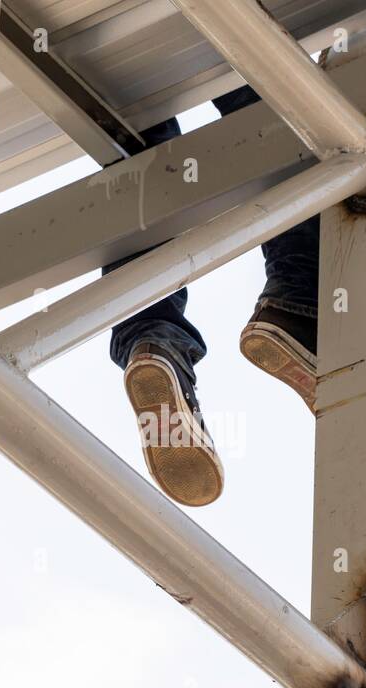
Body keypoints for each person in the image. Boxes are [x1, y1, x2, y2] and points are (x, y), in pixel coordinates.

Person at [107, 87, 321, 508]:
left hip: (97, 36)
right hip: (199, 30)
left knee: (140, 146)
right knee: (255, 87)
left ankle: (155, 346)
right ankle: (296, 304)